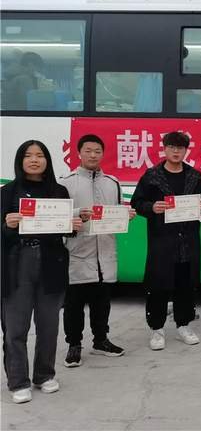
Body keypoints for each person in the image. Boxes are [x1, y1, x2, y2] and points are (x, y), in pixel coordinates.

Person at [1, 140, 82, 404]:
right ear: (20, 160)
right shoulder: (7, 192)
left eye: (39, 155)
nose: (34, 160)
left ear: (47, 160)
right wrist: (7, 224)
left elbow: (64, 230)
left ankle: (44, 375)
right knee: (16, 327)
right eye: (28, 155)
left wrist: (73, 226)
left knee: (48, 325)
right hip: (17, 264)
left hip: (51, 263)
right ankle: (18, 381)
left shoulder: (58, 191)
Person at [59, 134, 136, 368]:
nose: (93, 155)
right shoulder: (65, 183)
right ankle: (74, 345)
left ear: (103, 154)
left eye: (97, 151)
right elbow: (58, 217)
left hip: (105, 251)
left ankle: (101, 340)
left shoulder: (112, 182)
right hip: (78, 252)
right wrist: (77, 215)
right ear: (79, 153)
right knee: (74, 304)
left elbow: (117, 212)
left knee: (102, 302)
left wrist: (126, 217)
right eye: (88, 151)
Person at [131, 131, 201, 351]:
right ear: (164, 149)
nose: (176, 151)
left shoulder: (195, 176)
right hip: (162, 242)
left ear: (186, 151)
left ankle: (184, 325)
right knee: (158, 286)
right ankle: (157, 329)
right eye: (172, 147)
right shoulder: (152, 176)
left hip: (188, 242)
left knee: (186, 285)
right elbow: (137, 202)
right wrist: (151, 207)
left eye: (180, 148)